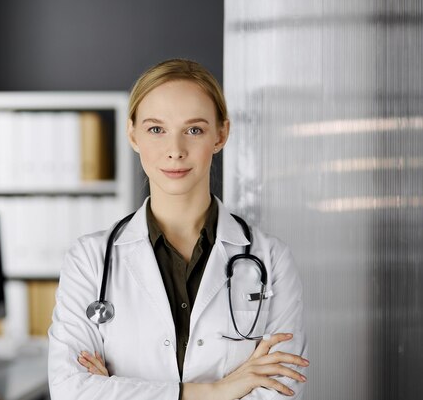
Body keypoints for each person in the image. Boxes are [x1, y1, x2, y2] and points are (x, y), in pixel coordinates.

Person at [48, 58, 309, 400]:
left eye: (194, 130)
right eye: (156, 129)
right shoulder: (89, 260)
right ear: (132, 134)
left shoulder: (270, 259)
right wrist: (220, 390)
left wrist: (115, 388)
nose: (175, 151)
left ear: (221, 135)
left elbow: (280, 392)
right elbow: (71, 391)